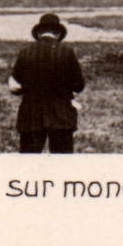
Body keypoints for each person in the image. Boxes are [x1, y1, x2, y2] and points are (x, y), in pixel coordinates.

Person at [8, 12, 85, 153]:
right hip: (62, 117)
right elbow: (79, 85)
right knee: (62, 165)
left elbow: (14, 85)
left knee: (28, 165)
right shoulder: (67, 53)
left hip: (30, 116)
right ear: (58, 33)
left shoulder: (25, 53)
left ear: (38, 33)